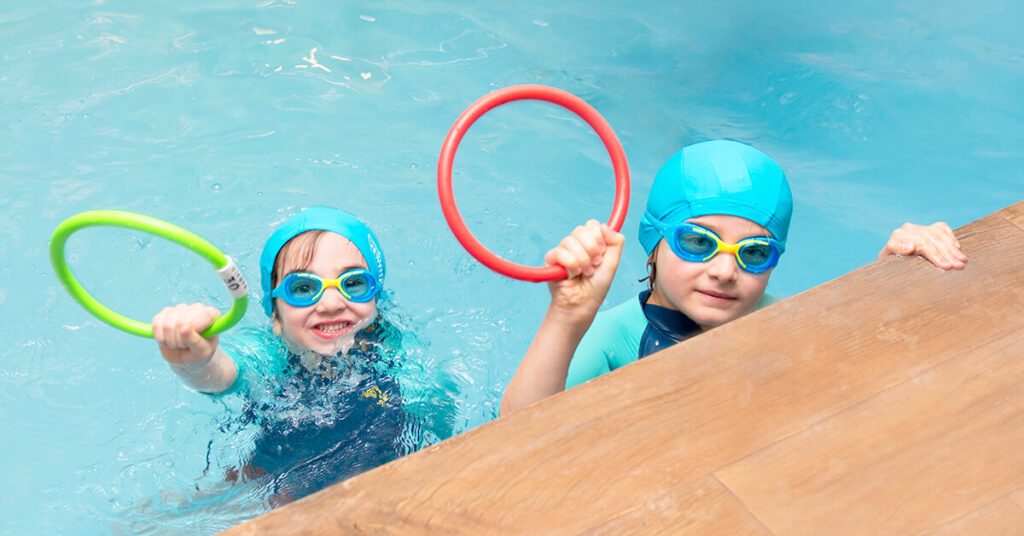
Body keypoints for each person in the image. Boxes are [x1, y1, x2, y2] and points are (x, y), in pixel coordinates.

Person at [500, 139, 967, 414]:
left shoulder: (773, 320)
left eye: (754, 253)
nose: (725, 271)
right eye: (698, 243)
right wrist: (566, 316)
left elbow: (854, 359)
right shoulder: (612, 339)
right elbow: (508, 438)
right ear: (654, 244)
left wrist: (888, 275)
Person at [152, 205, 451, 502]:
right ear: (276, 318)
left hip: (381, 472)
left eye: (354, 283)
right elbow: (225, 374)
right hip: (275, 474)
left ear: (376, 297)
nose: (332, 303)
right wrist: (196, 362)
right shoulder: (269, 353)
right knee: (167, 514)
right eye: (303, 288)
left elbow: (437, 418)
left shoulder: (396, 351)